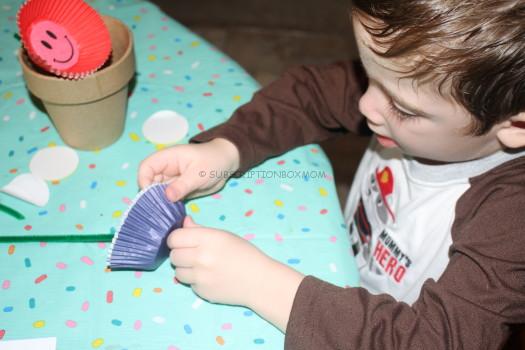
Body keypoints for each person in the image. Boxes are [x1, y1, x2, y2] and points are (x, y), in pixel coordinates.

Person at [138, 0, 525, 348]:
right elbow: (312, 92)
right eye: (370, 76)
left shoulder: (513, 220)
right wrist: (225, 149)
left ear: (515, 126)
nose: (366, 104)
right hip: (350, 267)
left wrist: (260, 285)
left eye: (404, 108)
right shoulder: (416, 90)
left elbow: (434, 339)